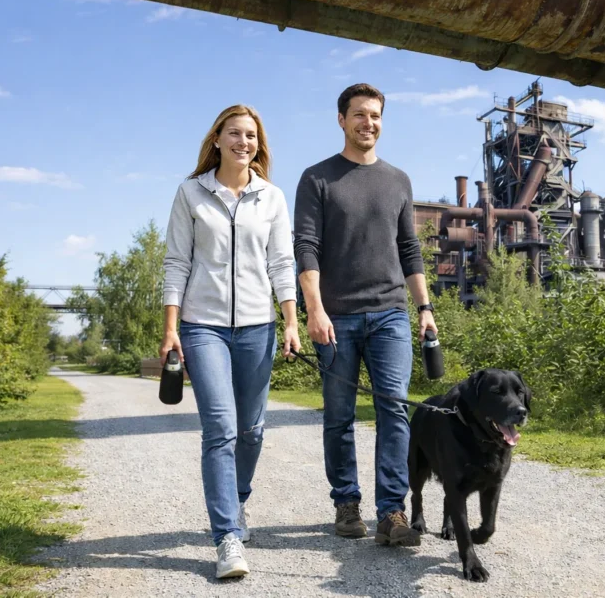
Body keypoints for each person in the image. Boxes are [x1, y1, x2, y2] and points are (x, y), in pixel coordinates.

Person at [160, 104, 301, 579]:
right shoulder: (190, 193)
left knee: (252, 430)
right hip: (203, 326)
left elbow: (283, 263)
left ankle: (237, 503)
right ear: (217, 138)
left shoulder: (272, 198)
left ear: (259, 145)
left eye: (252, 135)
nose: (244, 142)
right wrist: (171, 327)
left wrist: (291, 321)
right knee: (220, 427)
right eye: (235, 133)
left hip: (258, 326)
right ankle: (227, 537)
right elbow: (176, 262)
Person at [293, 83, 436, 547]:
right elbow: (307, 248)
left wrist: (425, 309)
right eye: (359, 115)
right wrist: (313, 309)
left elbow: (409, 249)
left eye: (375, 115)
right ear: (341, 120)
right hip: (335, 318)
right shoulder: (317, 179)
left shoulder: (397, 180)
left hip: (390, 314)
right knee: (339, 416)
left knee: (394, 409)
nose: (368, 123)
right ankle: (346, 502)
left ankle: (392, 512)